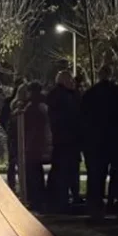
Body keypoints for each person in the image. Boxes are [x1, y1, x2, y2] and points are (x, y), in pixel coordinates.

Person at [81, 65, 118, 220]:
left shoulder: (90, 93)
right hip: (116, 138)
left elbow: (83, 117)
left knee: (96, 174)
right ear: (111, 75)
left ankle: (96, 203)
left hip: (96, 140)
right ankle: (117, 201)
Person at [46, 70, 82, 212]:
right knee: (69, 169)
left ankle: (59, 197)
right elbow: (74, 116)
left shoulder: (53, 95)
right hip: (69, 140)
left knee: (60, 169)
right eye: (71, 81)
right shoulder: (68, 97)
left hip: (60, 139)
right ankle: (68, 197)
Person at [22, 81, 52, 212]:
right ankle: (39, 198)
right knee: (36, 171)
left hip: (33, 144)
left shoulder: (33, 107)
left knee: (33, 171)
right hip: (38, 143)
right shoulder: (43, 105)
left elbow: (32, 127)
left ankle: (35, 199)